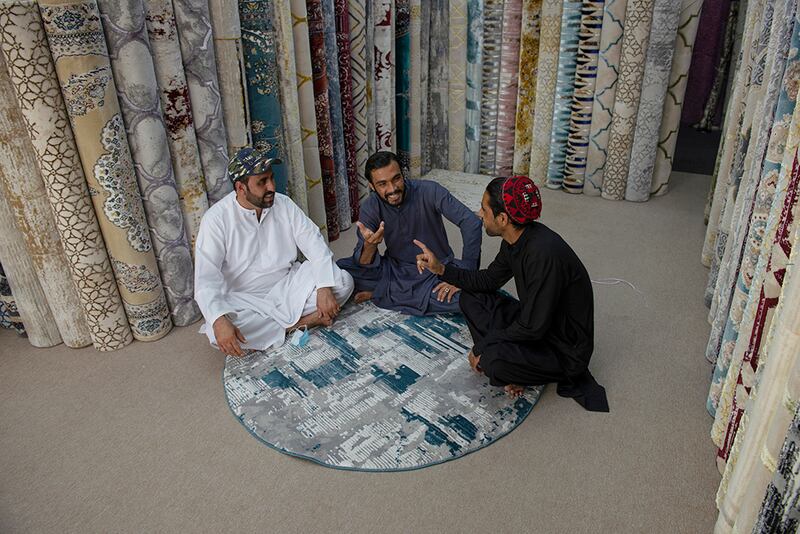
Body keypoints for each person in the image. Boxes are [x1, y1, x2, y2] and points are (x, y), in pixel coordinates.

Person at [414, 176, 609, 412]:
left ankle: (515, 369)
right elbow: (488, 280)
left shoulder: (543, 255)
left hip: (562, 347)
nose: (479, 213)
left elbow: (532, 328)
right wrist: (441, 269)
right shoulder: (514, 239)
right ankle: (512, 364)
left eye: (484, 209)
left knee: (493, 362)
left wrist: (482, 348)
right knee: (470, 296)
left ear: (503, 218)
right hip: (538, 323)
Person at [194, 147, 354, 356]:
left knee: (343, 282)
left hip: (287, 285)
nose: (271, 186)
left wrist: (324, 287)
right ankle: (303, 323)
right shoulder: (216, 220)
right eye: (262, 182)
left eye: (271, 178)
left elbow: (314, 243)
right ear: (241, 188)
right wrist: (218, 319)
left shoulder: (283, 204)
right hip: (244, 298)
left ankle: (279, 329)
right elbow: (206, 278)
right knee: (218, 332)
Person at [337, 151, 482, 315]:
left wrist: (466, 276)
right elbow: (363, 262)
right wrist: (370, 245)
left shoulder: (430, 190)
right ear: (371, 186)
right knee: (341, 271)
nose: (392, 189)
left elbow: (471, 222)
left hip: (436, 270)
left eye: (396, 179)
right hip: (395, 270)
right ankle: (393, 292)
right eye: (382, 184)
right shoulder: (370, 207)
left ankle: (384, 293)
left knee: (472, 299)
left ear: (403, 174)